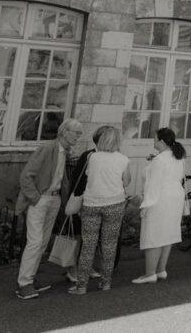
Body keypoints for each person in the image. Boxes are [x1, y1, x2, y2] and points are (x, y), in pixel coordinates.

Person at [15, 118, 83, 299]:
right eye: (76, 132)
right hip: (41, 200)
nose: (79, 136)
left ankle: (29, 278)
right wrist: (36, 198)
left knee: (42, 242)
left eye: (80, 133)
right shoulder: (47, 148)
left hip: (54, 200)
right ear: (64, 132)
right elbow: (26, 177)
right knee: (36, 241)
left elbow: (61, 178)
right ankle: (24, 283)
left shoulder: (64, 151)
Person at [71, 126, 130, 295]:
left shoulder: (92, 157)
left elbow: (86, 176)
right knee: (109, 245)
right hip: (114, 203)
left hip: (92, 204)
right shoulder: (123, 159)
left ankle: (81, 285)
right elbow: (126, 182)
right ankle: (106, 282)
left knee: (88, 245)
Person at [134, 128, 187, 284]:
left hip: (160, 199)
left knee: (154, 235)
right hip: (175, 197)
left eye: (155, 139)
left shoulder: (160, 160)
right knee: (167, 234)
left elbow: (153, 185)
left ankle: (150, 273)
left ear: (162, 142)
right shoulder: (178, 157)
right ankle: (161, 269)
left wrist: (146, 205)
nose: (153, 141)